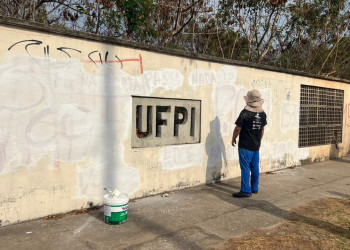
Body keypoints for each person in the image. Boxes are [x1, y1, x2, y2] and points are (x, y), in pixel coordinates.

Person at [231, 89, 267, 198]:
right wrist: (258, 140)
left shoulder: (245, 113)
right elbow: (262, 130)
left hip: (245, 145)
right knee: (254, 166)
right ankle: (254, 187)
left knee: (245, 167)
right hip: (256, 145)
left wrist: (233, 138)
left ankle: (245, 190)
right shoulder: (263, 114)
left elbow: (238, 128)